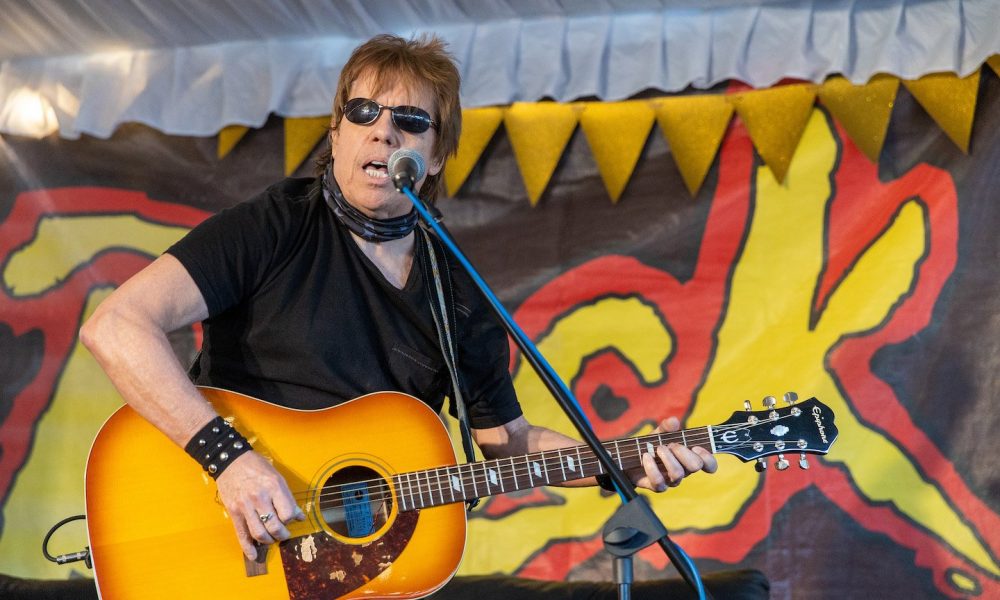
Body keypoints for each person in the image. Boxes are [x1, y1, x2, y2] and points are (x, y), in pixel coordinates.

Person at [80, 34, 717, 568]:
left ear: (435, 155)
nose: (383, 134)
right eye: (362, 113)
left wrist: (622, 464)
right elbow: (116, 326)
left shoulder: (456, 289)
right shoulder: (275, 225)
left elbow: (508, 444)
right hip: (219, 520)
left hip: (350, 567)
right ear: (335, 135)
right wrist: (231, 462)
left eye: (410, 121)